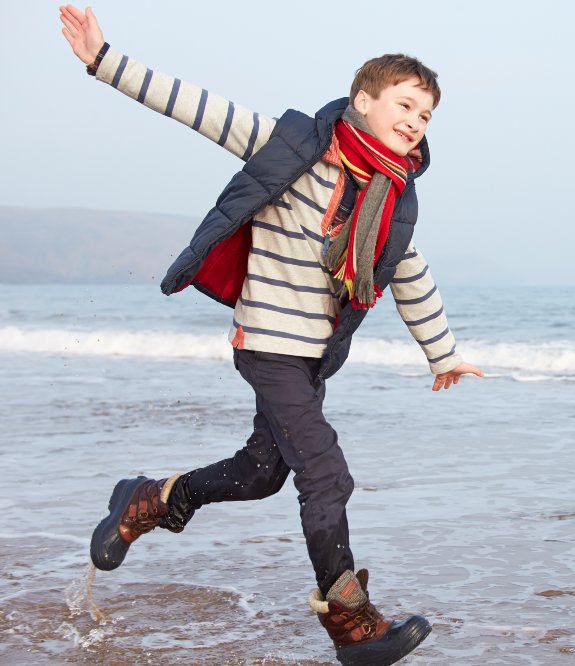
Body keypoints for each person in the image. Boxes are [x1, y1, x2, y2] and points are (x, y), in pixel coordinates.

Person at [59, 5, 483, 665]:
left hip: (312, 362)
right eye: (405, 104)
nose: (415, 122)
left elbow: (411, 273)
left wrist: (443, 352)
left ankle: (146, 502)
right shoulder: (293, 146)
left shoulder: (393, 197)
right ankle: (352, 625)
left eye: (426, 115)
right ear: (363, 101)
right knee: (325, 472)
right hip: (267, 343)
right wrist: (104, 59)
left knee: (260, 473)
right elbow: (199, 107)